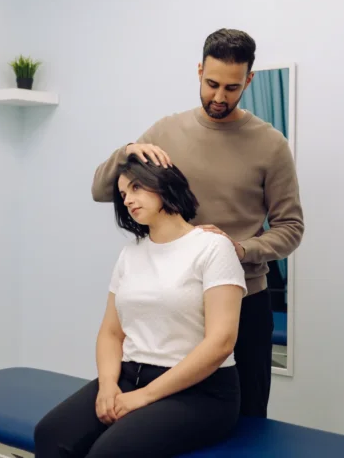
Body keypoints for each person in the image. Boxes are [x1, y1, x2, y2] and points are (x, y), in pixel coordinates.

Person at [90, 28, 304, 418]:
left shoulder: (270, 145)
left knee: (247, 419)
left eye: (232, 88)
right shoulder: (164, 132)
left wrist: (242, 249)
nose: (219, 97)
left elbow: (291, 228)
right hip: (174, 302)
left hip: (244, 300)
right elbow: (102, 190)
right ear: (199, 70)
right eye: (211, 84)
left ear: (249, 81)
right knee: (170, 419)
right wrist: (124, 153)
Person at [34, 154, 248, 458]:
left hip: (200, 392)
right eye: (123, 195)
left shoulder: (212, 248)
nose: (128, 200)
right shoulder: (130, 254)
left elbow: (221, 342)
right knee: (50, 434)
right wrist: (107, 386)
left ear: (165, 184)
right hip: (129, 376)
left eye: (136, 188)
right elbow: (111, 333)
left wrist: (144, 396)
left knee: (109, 452)